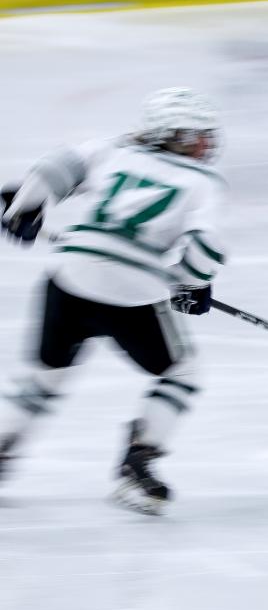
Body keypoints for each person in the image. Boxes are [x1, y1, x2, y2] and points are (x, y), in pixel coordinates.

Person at [0, 87, 228, 515]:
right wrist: (191, 284)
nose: (205, 145)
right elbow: (205, 248)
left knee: (44, 378)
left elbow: (50, 171)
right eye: (196, 135)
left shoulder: (111, 150)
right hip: (132, 294)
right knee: (182, 373)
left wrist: (22, 211)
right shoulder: (203, 182)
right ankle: (137, 467)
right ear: (170, 135)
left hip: (68, 279)